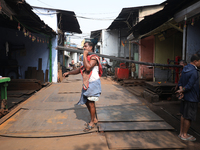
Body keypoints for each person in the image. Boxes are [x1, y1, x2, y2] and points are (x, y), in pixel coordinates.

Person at [63, 41, 102, 132]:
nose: (84, 48)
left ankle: (92, 122)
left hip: (93, 83)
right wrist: (69, 72)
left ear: (91, 48)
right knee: (86, 102)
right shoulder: (87, 58)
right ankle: (94, 119)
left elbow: (88, 68)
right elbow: (81, 69)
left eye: (85, 46)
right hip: (87, 83)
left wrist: (84, 55)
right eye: (83, 47)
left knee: (91, 103)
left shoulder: (93, 58)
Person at [176, 53, 200, 141]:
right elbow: (189, 85)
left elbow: (181, 82)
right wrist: (182, 91)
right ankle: (184, 135)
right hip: (192, 97)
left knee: (183, 115)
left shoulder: (185, 68)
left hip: (185, 97)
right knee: (188, 117)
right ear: (195, 61)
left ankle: (181, 133)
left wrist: (181, 91)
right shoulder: (194, 72)